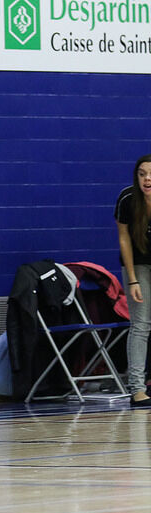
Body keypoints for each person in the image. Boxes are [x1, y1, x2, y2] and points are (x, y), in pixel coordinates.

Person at [115, 154, 151, 408]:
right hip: (138, 265)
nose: (147, 178)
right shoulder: (128, 199)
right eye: (142, 173)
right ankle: (137, 388)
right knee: (140, 324)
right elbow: (124, 239)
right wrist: (132, 280)